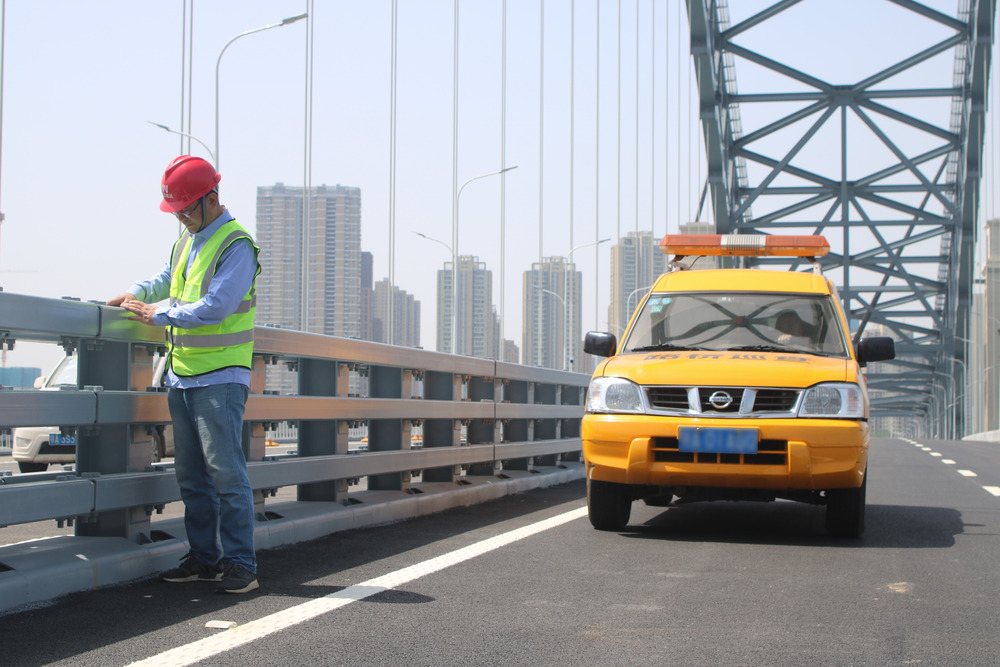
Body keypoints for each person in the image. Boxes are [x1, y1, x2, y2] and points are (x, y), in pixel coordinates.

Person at [108, 156, 261, 594]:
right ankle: (204, 558)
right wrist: (135, 293)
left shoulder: (237, 245)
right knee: (191, 477)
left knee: (226, 474)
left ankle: (241, 564)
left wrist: (159, 316)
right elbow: (166, 278)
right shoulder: (187, 240)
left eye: (185, 210)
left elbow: (217, 306)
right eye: (175, 212)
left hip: (221, 376)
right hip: (182, 374)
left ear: (211, 198)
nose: (180, 218)